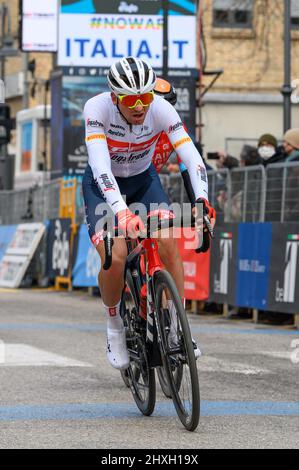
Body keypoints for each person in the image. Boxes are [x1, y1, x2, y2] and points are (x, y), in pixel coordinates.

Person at [82, 57, 216, 370]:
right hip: (104, 186)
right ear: (115, 97)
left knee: (168, 239)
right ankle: (114, 327)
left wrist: (202, 199)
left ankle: (177, 327)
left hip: (144, 182)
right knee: (114, 256)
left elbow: (190, 156)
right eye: (132, 100)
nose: (141, 106)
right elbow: (101, 167)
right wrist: (122, 213)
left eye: (146, 97)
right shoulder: (97, 108)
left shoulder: (161, 108)